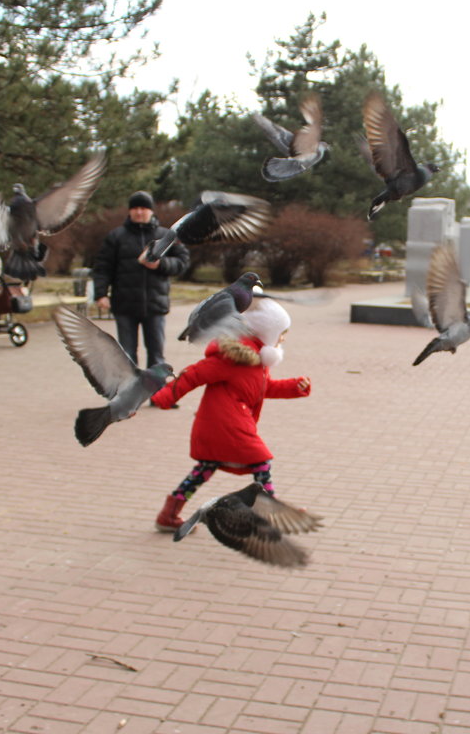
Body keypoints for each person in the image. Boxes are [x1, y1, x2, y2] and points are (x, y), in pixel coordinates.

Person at [149, 297, 312, 533]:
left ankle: (168, 515)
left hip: (225, 425)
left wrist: (294, 387)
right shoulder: (232, 358)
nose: (283, 338)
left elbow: (260, 390)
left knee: (204, 470)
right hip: (224, 425)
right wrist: (163, 397)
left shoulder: (256, 360)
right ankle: (270, 514)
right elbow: (192, 375)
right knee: (261, 462)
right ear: (266, 331)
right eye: (281, 332)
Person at [91, 191, 190, 368]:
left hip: (155, 305)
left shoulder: (166, 236)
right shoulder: (116, 236)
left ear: (151, 211)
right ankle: (131, 393)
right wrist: (101, 294)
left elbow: (182, 262)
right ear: (129, 211)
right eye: (135, 208)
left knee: (156, 356)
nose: (139, 212)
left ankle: (157, 395)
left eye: (143, 208)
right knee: (126, 356)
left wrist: (160, 264)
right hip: (124, 306)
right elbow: (102, 267)